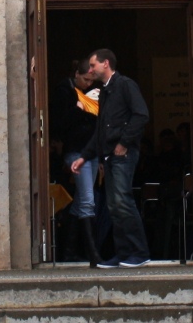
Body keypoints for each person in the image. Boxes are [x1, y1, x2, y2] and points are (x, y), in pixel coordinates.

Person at [71, 48, 152, 268]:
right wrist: (84, 157)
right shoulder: (105, 91)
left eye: (93, 65)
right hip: (109, 155)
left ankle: (139, 252)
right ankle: (123, 253)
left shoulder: (126, 85)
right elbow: (100, 130)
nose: (90, 70)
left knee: (123, 201)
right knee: (114, 206)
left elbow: (141, 115)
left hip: (123, 154)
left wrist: (124, 143)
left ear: (105, 63)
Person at [50, 59, 101, 266]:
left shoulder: (92, 92)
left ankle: (69, 252)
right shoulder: (64, 91)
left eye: (91, 80)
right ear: (76, 75)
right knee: (88, 200)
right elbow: (59, 123)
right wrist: (80, 107)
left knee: (80, 201)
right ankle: (93, 254)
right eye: (86, 79)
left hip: (92, 150)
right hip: (75, 150)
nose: (89, 84)